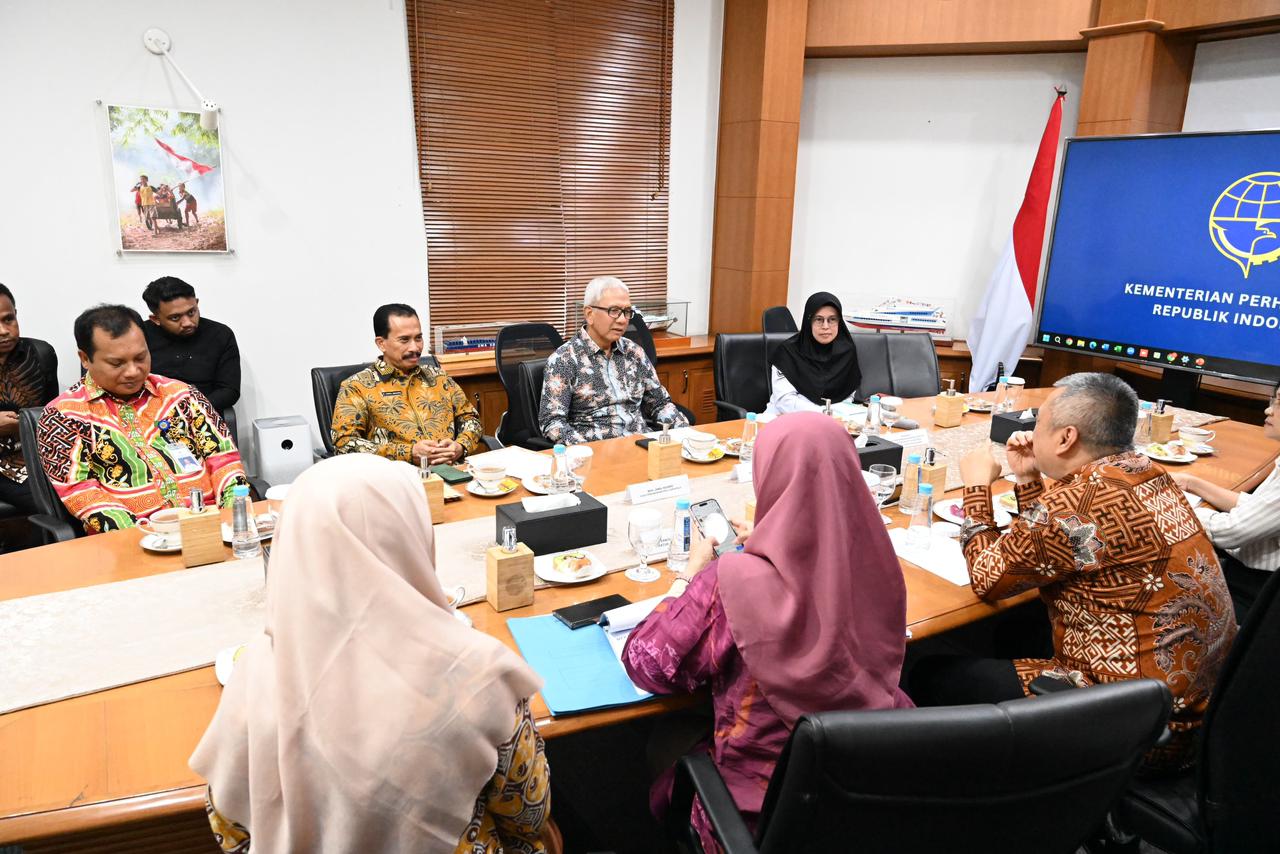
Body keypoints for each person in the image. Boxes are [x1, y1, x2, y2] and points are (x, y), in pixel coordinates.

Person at [190, 454, 550, 853]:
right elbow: (528, 815)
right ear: (409, 533)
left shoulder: (255, 670)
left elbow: (228, 819)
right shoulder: (476, 674)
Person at [622, 412, 912, 850]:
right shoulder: (877, 558)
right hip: (870, 783)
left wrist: (687, 576)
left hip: (762, 809)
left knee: (662, 741)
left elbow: (648, 664)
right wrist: (777, 536)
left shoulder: (732, 579)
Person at [921, 373, 1236, 772]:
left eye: (1036, 424)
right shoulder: (1147, 473)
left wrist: (976, 489)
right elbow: (1058, 541)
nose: (1030, 433)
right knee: (1010, 632)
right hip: (1199, 711)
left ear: (1066, 438)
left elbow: (989, 577)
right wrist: (1028, 477)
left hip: (1137, 728)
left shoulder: (1077, 505)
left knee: (932, 671)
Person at [37, 304, 246, 535]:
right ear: (85, 359)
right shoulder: (63, 415)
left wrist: (231, 518)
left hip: (211, 526)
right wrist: (147, 535)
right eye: (117, 363)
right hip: (133, 540)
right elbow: (81, 491)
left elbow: (223, 457)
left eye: (140, 357)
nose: (133, 371)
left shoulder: (181, 394)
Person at [1173, 384, 1280, 623]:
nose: (1268, 411)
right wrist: (1193, 483)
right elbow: (1259, 509)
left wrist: (1176, 505)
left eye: (1279, 403)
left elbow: (1228, 531)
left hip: (1257, 589)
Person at [539, 276, 686, 443]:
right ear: (589, 314)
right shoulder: (564, 360)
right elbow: (552, 423)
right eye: (614, 311)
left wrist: (685, 433)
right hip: (595, 453)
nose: (623, 319)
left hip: (641, 446)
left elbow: (659, 403)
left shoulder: (634, 353)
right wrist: (585, 451)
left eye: (627, 311)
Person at [332, 303, 482, 464]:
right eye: (404, 340)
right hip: (398, 479)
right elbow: (344, 444)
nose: (415, 347)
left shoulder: (439, 377)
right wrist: (409, 453)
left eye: (418, 338)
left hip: (454, 473)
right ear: (381, 343)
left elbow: (470, 418)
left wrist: (460, 445)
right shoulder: (357, 387)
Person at [0, 284, 60, 516]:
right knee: (53, 504)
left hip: (37, 453)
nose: (4, 330)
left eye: (9, 319)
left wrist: (27, 424)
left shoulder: (40, 353)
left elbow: (53, 412)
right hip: (6, 465)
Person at [142, 277, 241, 413]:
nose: (188, 322)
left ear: (197, 303)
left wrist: (191, 410)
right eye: (175, 318)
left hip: (203, 414)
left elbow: (229, 390)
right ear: (156, 319)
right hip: (153, 416)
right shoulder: (140, 336)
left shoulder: (220, 334)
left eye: (191, 312)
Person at [765, 292, 862, 415]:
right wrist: (823, 413)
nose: (825, 326)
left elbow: (847, 395)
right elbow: (785, 402)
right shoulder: (788, 352)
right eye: (819, 319)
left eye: (832, 319)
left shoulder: (846, 351)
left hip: (834, 420)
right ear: (808, 321)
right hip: (787, 419)